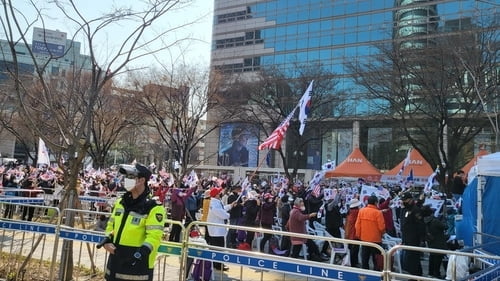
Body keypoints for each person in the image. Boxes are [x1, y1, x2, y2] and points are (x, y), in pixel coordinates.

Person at [100, 163, 166, 281]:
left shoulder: (153, 207)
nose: (126, 180)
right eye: (126, 177)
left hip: (137, 266)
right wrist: (107, 240)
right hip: (115, 264)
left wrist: (140, 254)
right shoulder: (120, 202)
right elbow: (111, 225)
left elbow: (154, 237)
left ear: (141, 180)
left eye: (130, 177)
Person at [206, 186, 235, 271]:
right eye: (219, 193)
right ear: (216, 195)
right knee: (218, 248)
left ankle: (217, 263)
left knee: (217, 247)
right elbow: (221, 213)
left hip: (217, 229)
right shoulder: (214, 204)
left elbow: (222, 209)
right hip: (216, 230)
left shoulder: (216, 202)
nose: (220, 193)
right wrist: (229, 215)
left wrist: (230, 206)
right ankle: (218, 265)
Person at [287, 197, 325, 262]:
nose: (303, 205)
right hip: (298, 235)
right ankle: (291, 263)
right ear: (298, 204)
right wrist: (310, 215)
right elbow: (301, 218)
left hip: (300, 234)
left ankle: (313, 256)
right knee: (296, 251)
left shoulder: (294, 211)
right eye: (302, 203)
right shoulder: (296, 212)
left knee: (311, 245)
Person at [355, 195, 385, 270]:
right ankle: (376, 275)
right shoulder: (378, 213)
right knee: (376, 260)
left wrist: (359, 235)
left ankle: (365, 276)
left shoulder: (361, 211)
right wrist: (382, 234)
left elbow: (357, 225)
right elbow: (382, 227)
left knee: (365, 259)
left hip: (364, 239)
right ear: (375, 203)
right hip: (376, 240)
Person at [400, 192, 425, 280]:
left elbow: (420, 225)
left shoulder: (415, 210)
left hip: (414, 239)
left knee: (413, 258)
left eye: (405, 200)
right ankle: (416, 275)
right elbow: (403, 224)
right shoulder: (404, 209)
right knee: (411, 259)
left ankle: (414, 276)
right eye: (403, 200)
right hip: (406, 238)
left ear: (410, 200)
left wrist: (422, 239)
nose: (404, 202)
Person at [422, 205, 448, 279]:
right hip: (439, 242)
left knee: (432, 257)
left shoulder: (424, 221)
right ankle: (436, 273)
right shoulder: (435, 221)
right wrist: (443, 219)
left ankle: (431, 273)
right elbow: (445, 226)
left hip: (430, 241)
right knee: (438, 258)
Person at [345, 198, 362, 267]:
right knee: (354, 250)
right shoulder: (356, 212)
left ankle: (354, 263)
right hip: (354, 234)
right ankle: (354, 264)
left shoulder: (350, 211)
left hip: (349, 233)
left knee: (352, 249)